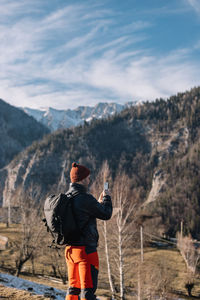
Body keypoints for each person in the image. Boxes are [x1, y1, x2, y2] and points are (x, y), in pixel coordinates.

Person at [65, 162, 112, 300]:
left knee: (73, 289)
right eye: (88, 178)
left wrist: (96, 204)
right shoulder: (85, 198)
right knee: (88, 291)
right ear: (82, 179)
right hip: (86, 252)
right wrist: (107, 197)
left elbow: (82, 215)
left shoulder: (66, 197)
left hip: (69, 251)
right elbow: (106, 214)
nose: (89, 180)